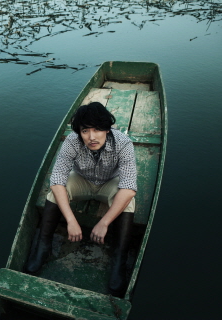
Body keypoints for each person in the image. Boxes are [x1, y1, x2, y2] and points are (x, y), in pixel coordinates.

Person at [24, 101, 137, 298]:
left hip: (110, 182)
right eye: (85, 131)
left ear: (107, 129)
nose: (92, 137)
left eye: (97, 129)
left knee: (128, 201)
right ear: (79, 132)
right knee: (55, 192)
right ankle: (43, 245)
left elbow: (128, 188)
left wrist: (104, 222)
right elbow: (57, 179)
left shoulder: (123, 143)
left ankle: (120, 258)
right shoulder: (72, 142)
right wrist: (70, 220)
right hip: (82, 180)